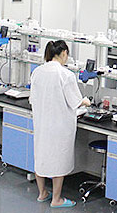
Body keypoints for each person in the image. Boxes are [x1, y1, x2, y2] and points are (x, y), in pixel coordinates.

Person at [30, 40, 91, 208]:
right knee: (58, 159)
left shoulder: (37, 72)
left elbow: (32, 98)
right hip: (59, 126)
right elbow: (75, 101)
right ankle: (56, 199)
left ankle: (42, 193)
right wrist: (86, 101)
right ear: (64, 53)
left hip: (42, 123)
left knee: (41, 156)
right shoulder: (65, 74)